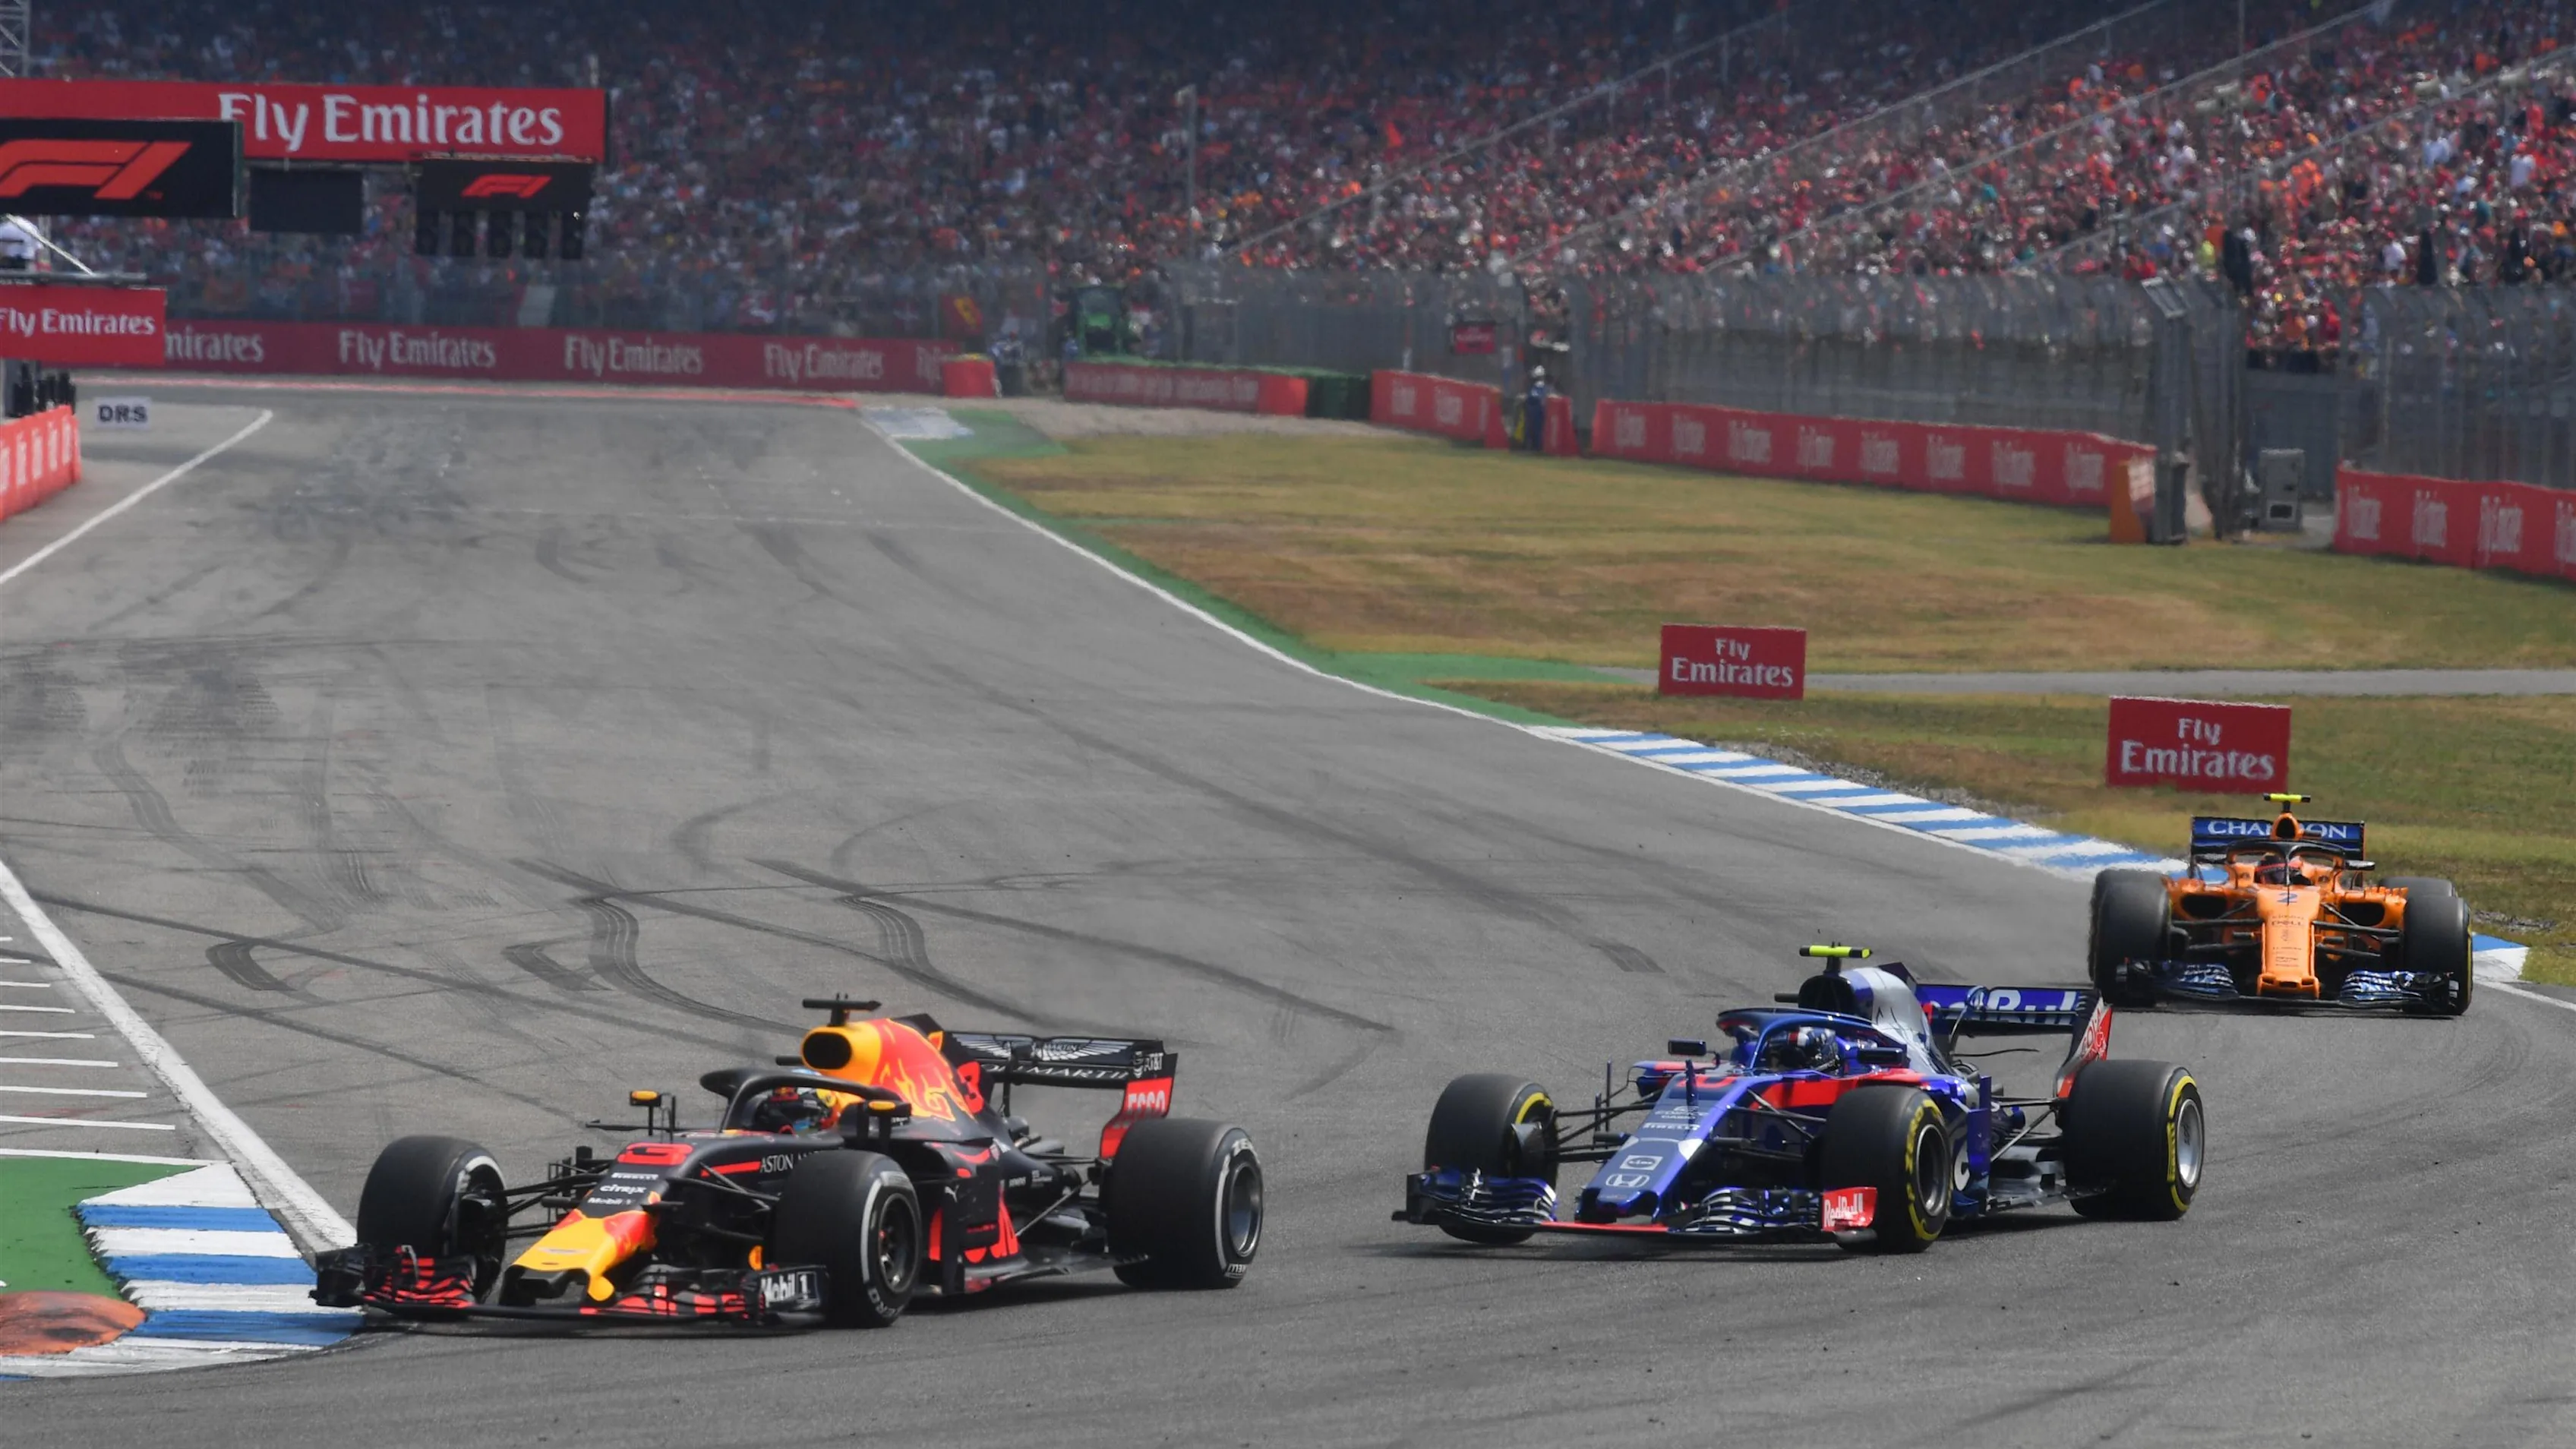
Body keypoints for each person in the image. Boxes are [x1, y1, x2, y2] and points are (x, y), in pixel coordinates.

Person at [1522, 366, 1550, 453]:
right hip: (1534, 411)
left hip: (1537, 412)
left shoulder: (1540, 387)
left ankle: (1537, 448)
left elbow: (1535, 398)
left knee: (1536, 431)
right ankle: (1533, 447)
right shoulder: (1538, 387)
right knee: (1532, 430)